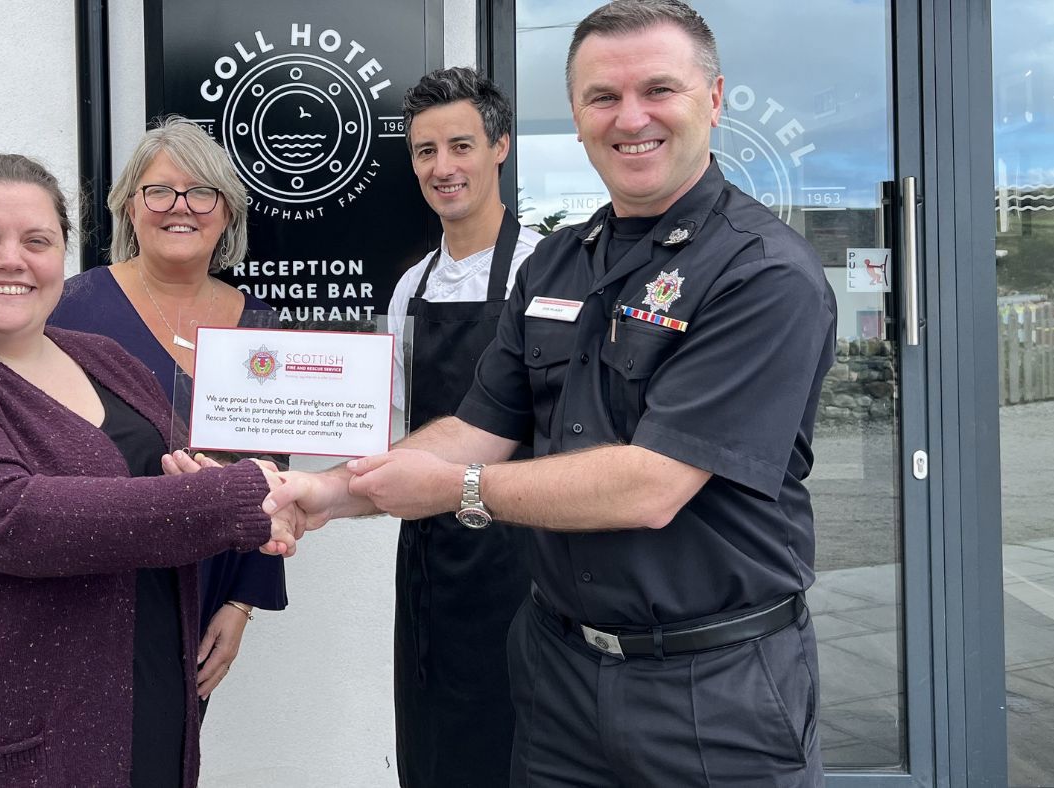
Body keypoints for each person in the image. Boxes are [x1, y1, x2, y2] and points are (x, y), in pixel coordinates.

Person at [266, 2, 835, 784]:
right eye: (602, 97)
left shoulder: (761, 273)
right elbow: (476, 424)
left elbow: (652, 484)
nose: (629, 117)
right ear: (575, 116)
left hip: (711, 688)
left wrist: (459, 490)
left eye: (658, 90)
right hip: (558, 674)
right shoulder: (560, 263)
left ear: (714, 98)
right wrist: (327, 491)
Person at [0, 153, 300, 786]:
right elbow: (18, 519)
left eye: (37, 240)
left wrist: (222, 498)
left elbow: (184, 476)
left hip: (144, 712)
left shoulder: (104, 360)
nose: (11, 259)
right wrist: (238, 499)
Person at [384, 68, 541, 787]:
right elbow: (393, 425)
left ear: (500, 146)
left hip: (525, 548)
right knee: (434, 740)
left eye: (461, 145)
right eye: (425, 152)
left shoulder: (545, 268)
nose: (442, 168)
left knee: (520, 738)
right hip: (429, 553)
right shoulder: (409, 287)